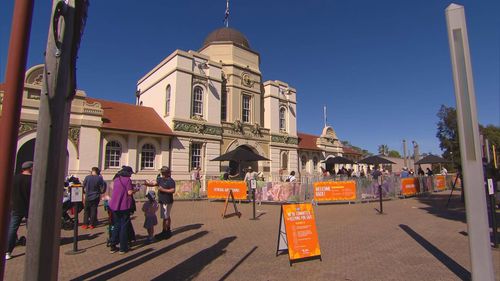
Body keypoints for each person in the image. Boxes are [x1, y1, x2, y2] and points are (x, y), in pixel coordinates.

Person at [6, 161, 33, 260]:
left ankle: (8, 251)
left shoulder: (14, 178)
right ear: (30, 168)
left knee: (12, 229)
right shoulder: (33, 179)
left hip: (16, 207)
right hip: (30, 208)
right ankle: (33, 248)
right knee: (32, 229)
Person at [108, 166, 137, 254]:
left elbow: (113, 188)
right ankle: (123, 247)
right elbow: (129, 192)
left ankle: (112, 245)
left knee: (116, 225)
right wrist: (135, 190)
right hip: (124, 205)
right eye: (130, 173)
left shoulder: (116, 179)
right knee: (124, 226)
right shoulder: (127, 180)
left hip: (114, 205)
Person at [146, 166, 176, 239]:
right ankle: (167, 231)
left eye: (163, 172)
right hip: (162, 201)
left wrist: (163, 190)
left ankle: (165, 231)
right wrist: (147, 184)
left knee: (165, 217)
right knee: (166, 216)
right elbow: (154, 184)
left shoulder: (171, 181)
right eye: (162, 172)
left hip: (167, 201)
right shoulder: (160, 179)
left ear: (167, 173)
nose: (162, 174)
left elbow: (172, 190)